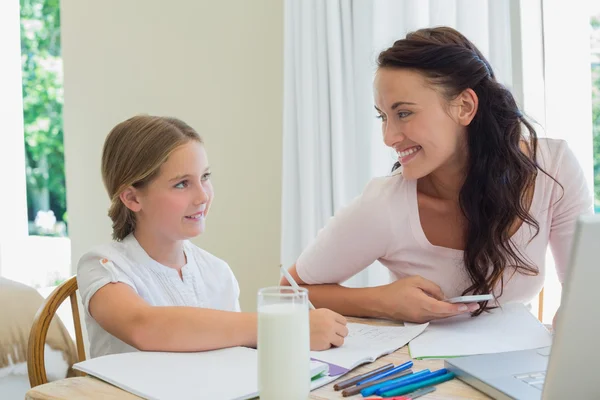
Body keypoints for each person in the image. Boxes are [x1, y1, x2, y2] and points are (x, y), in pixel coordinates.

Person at [281, 27, 593, 324]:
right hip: (423, 371)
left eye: (404, 113)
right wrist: (383, 301)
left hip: (516, 365)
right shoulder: (385, 206)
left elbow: (587, 296)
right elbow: (288, 291)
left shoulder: (552, 169)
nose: (388, 137)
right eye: (383, 117)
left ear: (465, 107)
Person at [77, 115, 348, 358]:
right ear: (133, 198)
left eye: (205, 177)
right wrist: (284, 327)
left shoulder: (217, 272)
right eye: (182, 184)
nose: (203, 195)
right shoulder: (102, 266)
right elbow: (143, 326)